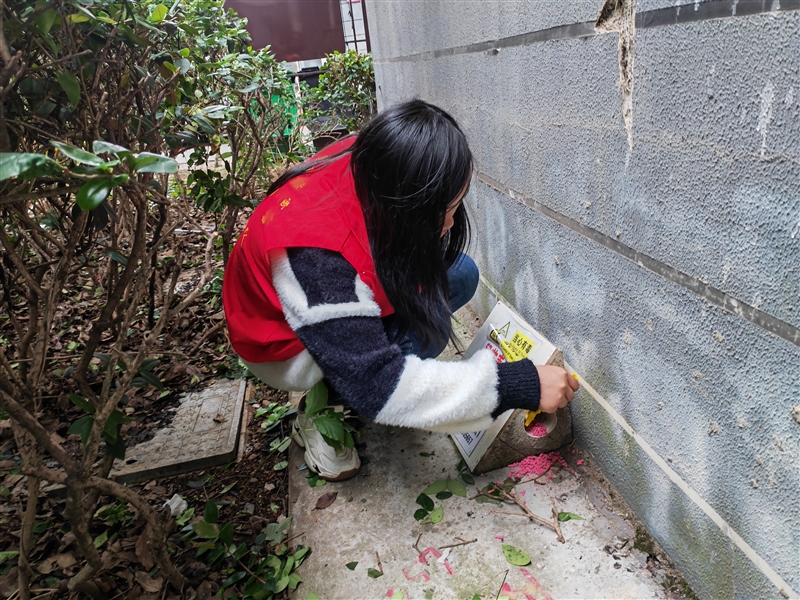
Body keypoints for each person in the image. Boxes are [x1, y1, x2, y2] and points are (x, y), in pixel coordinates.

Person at [222, 100, 579, 480]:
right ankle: (325, 406)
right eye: (446, 209)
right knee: (417, 342)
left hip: (317, 299)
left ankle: (352, 363)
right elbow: (380, 386)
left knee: (459, 275)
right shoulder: (317, 259)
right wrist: (522, 384)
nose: (451, 222)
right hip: (282, 346)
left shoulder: (376, 161)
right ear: (407, 204)